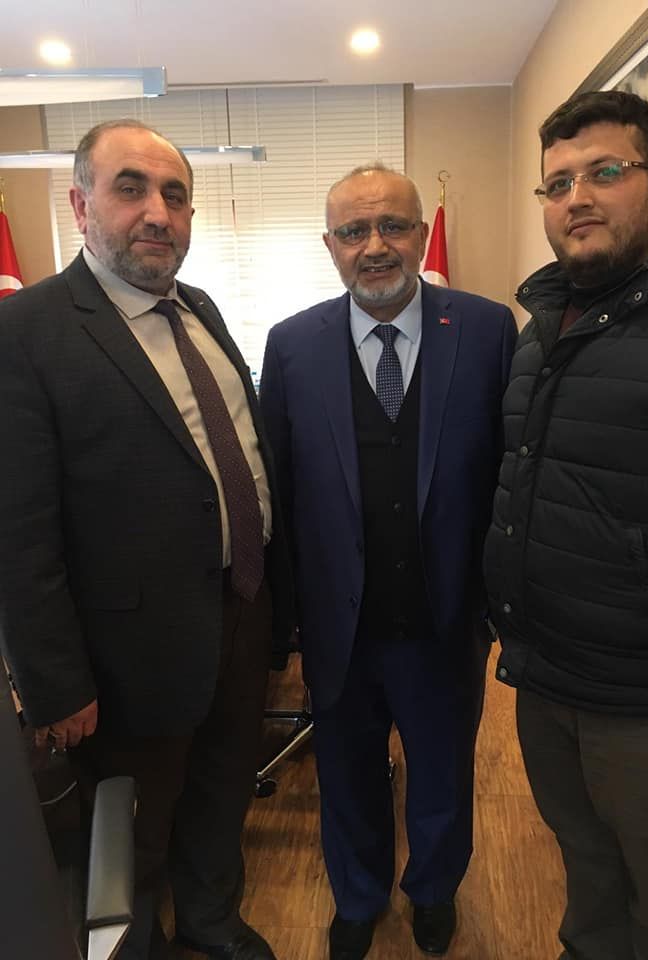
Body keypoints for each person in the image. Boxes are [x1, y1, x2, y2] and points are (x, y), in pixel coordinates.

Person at [0, 119, 292, 960]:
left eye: (175, 195)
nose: (158, 212)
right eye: (131, 188)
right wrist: (55, 684)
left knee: (223, 789)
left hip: (240, 610)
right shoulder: (25, 332)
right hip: (123, 655)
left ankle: (211, 921)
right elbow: (18, 533)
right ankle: (140, 949)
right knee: (134, 827)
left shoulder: (200, 310)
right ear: (81, 205)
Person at [484, 90, 648, 960]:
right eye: (557, 184)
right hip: (550, 682)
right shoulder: (544, 322)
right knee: (587, 873)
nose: (576, 198)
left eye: (603, 172)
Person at [260, 164, 516, 960]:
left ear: (421, 234)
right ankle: (359, 896)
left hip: (446, 616)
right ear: (329, 245)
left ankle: (434, 890)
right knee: (347, 774)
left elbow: (510, 473)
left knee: (443, 769)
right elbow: (279, 491)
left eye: (393, 226)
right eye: (353, 231)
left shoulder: (486, 330)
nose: (374, 246)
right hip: (339, 623)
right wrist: (286, 620)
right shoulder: (291, 345)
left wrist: (496, 606)